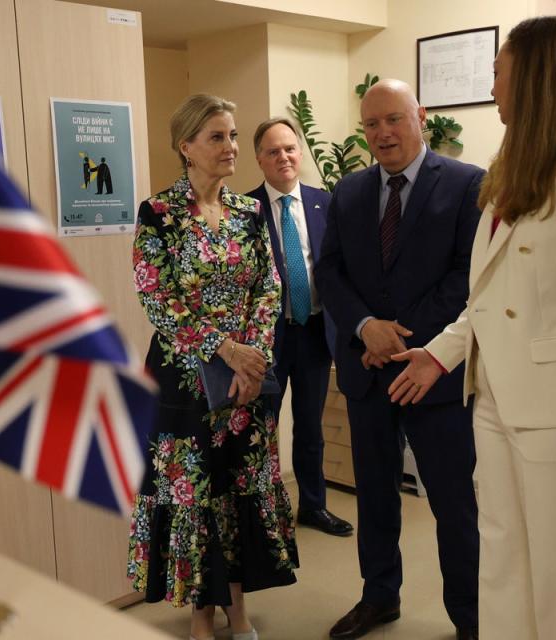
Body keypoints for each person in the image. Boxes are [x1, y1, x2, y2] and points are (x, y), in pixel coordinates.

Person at [389, 17, 556, 640]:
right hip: (495, 398)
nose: (493, 87)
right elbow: (489, 296)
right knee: (500, 564)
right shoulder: (511, 169)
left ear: (534, 77)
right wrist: (439, 355)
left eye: (498, 74)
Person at [315, 79, 483, 640]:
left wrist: (405, 336)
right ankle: (379, 597)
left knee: (453, 504)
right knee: (376, 497)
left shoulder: (466, 185)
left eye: (393, 119)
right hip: (368, 373)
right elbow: (330, 271)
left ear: (421, 116)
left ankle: (470, 616)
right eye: (371, 124)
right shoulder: (349, 192)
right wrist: (366, 327)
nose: (382, 133)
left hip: (433, 372)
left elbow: (468, 276)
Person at [127, 94, 298, 640]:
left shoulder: (249, 213)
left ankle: (240, 610)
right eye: (217, 138)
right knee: (195, 495)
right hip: (183, 379)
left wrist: (254, 357)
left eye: (232, 135)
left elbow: (268, 288)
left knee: (237, 489)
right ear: (186, 147)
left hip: (249, 379)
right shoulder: (159, 214)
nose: (230, 147)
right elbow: (157, 297)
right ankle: (202, 615)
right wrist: (225, 349)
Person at [246, 118, 352, 537]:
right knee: (262, 428)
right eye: (273, 151)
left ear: (300, 152)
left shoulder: (325, 203)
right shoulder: (245, 211)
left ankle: (313, 506)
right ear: (259, 159)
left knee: (310, 426)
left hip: (313, 332)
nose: (283, 157)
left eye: (289, 148)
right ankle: (264, 513)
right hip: (267, 339)